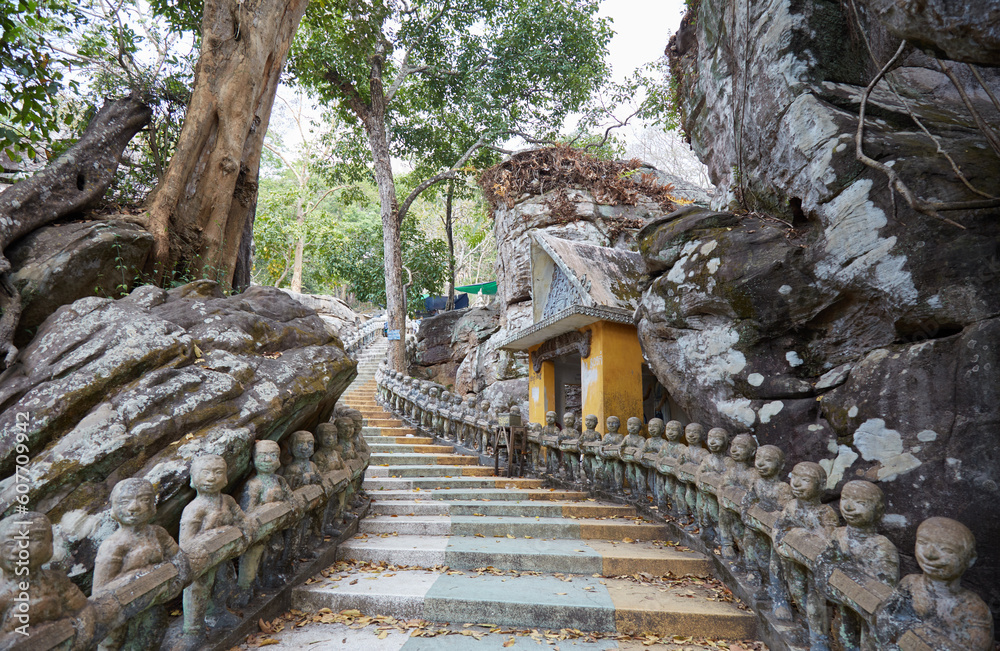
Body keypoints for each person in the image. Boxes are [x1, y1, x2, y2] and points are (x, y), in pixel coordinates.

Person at [94, 479, 182, 650]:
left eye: (143, 499)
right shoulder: (113, 545)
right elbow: (100, 594)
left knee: (153, 636)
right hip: (124, 613)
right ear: (114, 508)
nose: (133, 507)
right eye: (124, 501)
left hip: (154, 603)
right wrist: (136, 578)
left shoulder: (158, 533)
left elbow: (178, 557)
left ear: (152, 505)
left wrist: (174, 582)